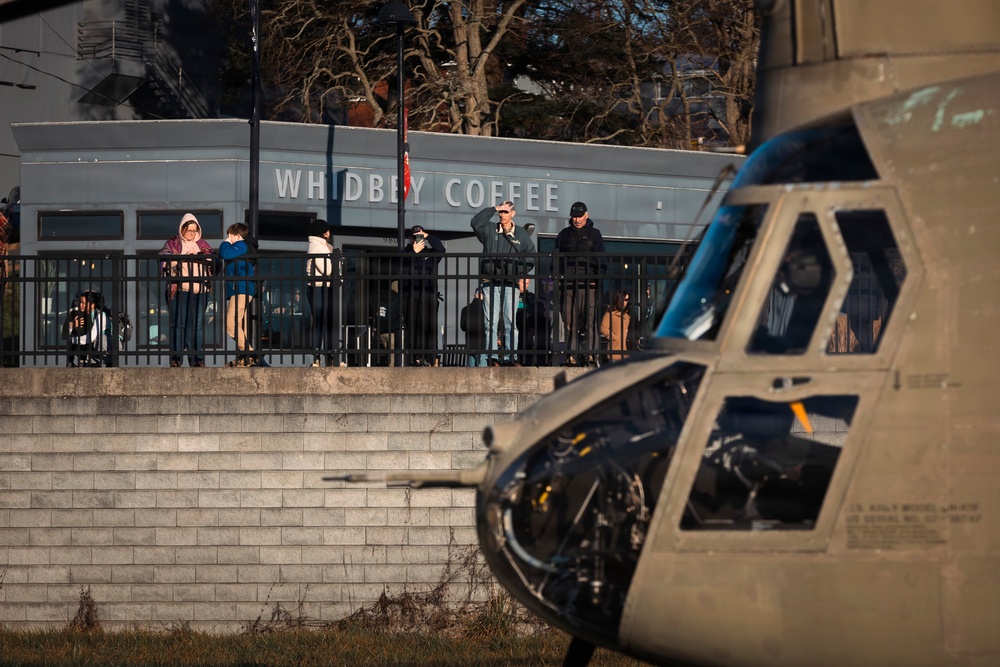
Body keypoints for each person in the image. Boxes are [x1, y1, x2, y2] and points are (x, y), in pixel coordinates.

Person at [470, 200, 536, 366]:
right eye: (501, 212)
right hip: (490, 281)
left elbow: (531, 257)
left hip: (510, 283)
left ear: (513, 213)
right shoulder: (490, 229)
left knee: (510, 322)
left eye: (506, 212)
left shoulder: (521, 234)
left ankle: (509, 357)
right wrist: (494, 208)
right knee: (490, 322)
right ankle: (491, 356)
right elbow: (475, 223)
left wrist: (516, 269)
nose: (502, 215)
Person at [555, 201, 606, 367]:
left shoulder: (595, 234)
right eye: (574, 216)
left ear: (587, 215)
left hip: (589, 284)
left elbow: (601, 260)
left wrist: (597, 279)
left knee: (590, 321)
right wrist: (558, 279)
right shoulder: (563, 234)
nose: (576, 220)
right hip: (568, 284)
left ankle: (591, 355)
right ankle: (572, 355)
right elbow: (556, 259)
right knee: (569, 321)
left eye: (579, 216)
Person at [159, 213, 213, 367]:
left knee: (196, 326)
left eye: (194, 230)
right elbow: (164, 260)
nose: (191, 234)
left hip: (200, 291)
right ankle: (176, 359)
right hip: (180, 290)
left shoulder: (203, 245)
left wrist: (197, 257)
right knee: (178, 325)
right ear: (182, 229)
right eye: (189, 230)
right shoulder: (173, 243)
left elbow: (212, 263)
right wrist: (184, 258)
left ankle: (197, 359)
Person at [399, 224, 445, 366]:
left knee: (429, 328)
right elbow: (399, 264)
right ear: (410, 238)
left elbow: (441, 250)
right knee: (412, 328)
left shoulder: (430, 254)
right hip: (410, 297)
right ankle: (414, 358)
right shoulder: (405, 252)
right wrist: (413, 252)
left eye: (419, 236)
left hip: (428, 297)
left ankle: (429, 357)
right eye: (415, 236)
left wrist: (428, 236)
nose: (417, 239)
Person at [219, 222, 257, 367]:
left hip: (241, 288)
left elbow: (225, 253)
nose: (228, 237)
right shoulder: (243, 247)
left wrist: (226, 242)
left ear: (238, 236)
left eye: (231, 235)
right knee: (241, 325)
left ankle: (249, 353)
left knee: (231, 324)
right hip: (240, 289)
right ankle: (245, 357)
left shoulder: (242, 245)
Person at [306, 219, 342, 367]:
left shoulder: (323, 246)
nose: (329, 233)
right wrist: (338, 261)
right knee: (320, 323)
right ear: (324, 232)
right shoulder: (316, 247)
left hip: (323, 288)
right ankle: (318, 357)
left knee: (325, 323)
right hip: (318, 288)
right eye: (327, 230)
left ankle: (326, 356)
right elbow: (327, 270)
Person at [61, 289, 110, 367]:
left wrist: (73, 340)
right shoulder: (81, 314)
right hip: (88, 347)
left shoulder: (101, 316)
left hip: (103, 348)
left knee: (97, 339)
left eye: (83, 303)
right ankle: (80, 361)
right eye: (80, 302)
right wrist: (71, 325)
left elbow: (91, 337)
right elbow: (65, 335)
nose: (80, 305)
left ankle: (98, 361)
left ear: (92, 304)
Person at [516, 277, 552, 367]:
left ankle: (526, 364)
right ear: (517, 282)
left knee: (527, 347)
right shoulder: (511, 296)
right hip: (515, 325)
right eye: (522, 282)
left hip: (528, 328)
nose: (525, 285)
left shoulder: (531, 297)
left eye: (527, 283)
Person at [600, 290, 632, 362]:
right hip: (615, 350)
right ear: (620, 300)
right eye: (626, 300)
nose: (627, 302)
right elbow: (603, 328)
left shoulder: (628, 313)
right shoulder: (610, 313)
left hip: (627, 350)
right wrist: (614, 337)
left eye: (628, 300)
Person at [460, 288, 487, 367]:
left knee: (470, 371)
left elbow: (463, 327)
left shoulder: (465, 309)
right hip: (482, 344)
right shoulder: (485, 310)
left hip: (470, 344)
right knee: (482, 371)